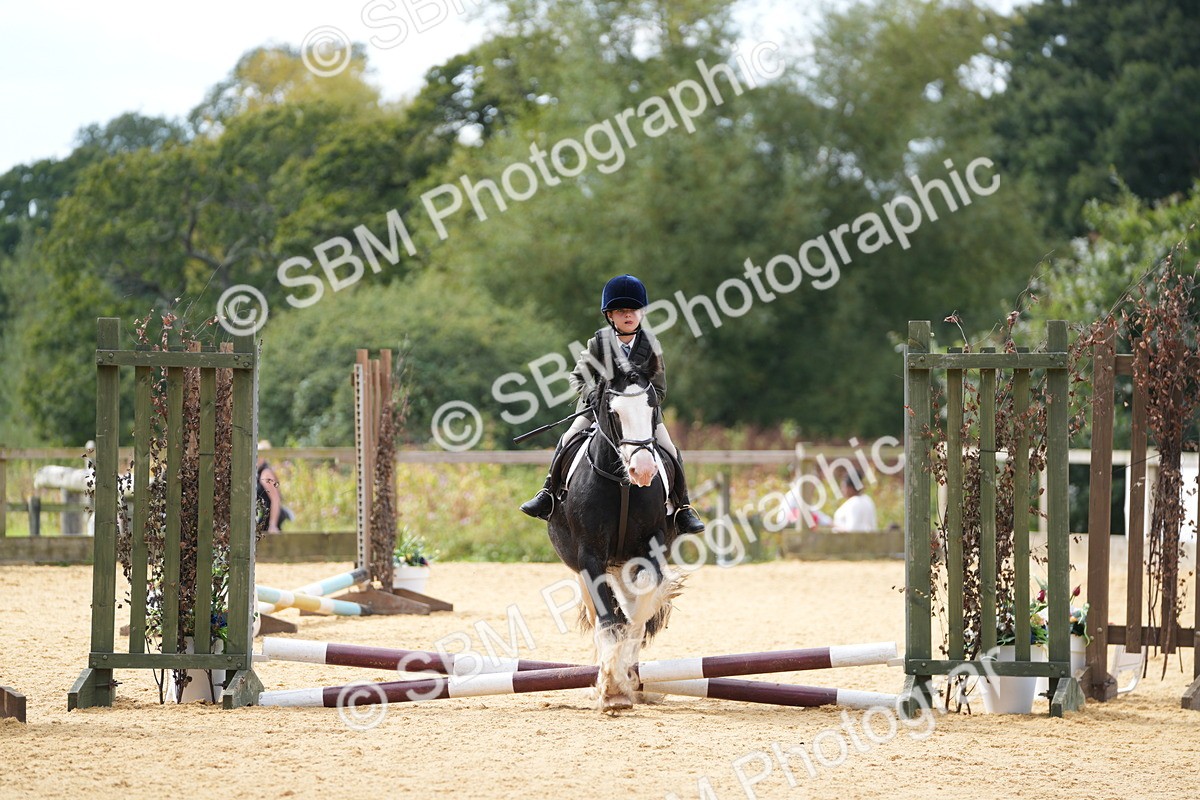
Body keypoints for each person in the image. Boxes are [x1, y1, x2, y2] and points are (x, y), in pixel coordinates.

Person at [519, 274, 705, 534]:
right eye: (621, 311)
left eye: (633, 310)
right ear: (610, 315)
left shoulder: (651, 345)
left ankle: (682, 507)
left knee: (671, 451)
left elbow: (660, 389)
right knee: (568, 439)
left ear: (641, 313)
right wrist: (593, 395)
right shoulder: (599, 343)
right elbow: (578, 377)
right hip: (597, 411)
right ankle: (548, 493)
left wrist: (642, 402)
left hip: (642, 416)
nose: (628, 315)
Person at [256, 440, 293, 533]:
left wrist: (273, 525)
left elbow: (275, 499)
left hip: (271, 516)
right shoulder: (259, 472)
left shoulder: (266, 473)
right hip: (266, 515)